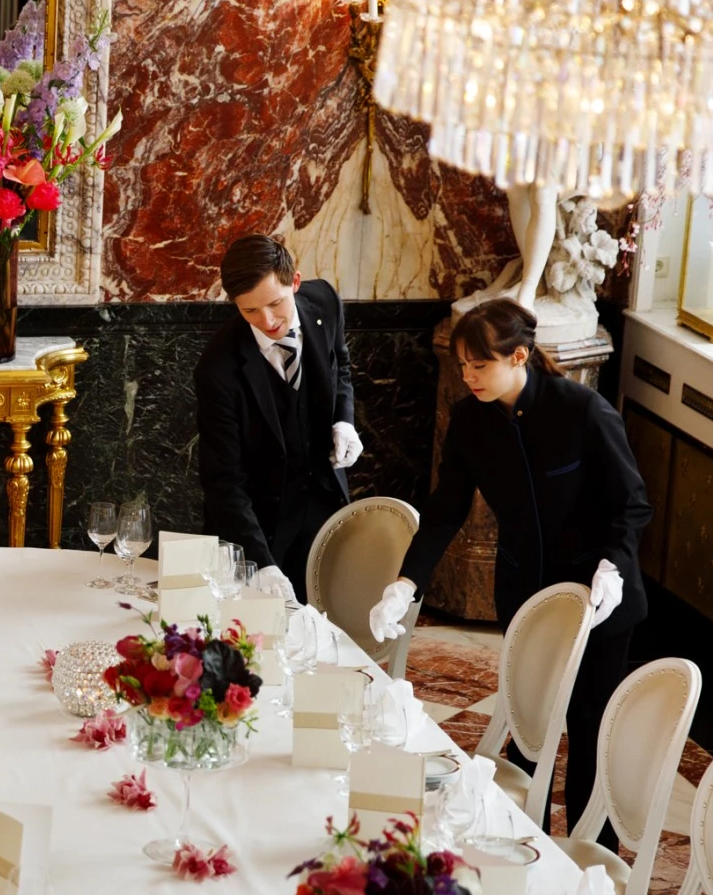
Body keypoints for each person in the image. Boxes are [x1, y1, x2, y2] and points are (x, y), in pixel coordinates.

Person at [366, 298, 651, 840]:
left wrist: (612, 567)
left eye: (481, 365)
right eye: (463, 366)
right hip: (525, 594)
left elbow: (633, 504)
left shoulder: (583, 411)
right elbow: (446, 508)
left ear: (519, 356)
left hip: (600, 598)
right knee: (528, 728)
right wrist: (406, 584)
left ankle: (593, 855)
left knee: (591, 729)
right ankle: (525, 847)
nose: (469, 376)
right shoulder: (471, 422)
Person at [193, 234, 362, 593]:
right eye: (249, 310)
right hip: (260, 523)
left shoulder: (325, 303)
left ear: (295, 283)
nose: (267, 320)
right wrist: (261, 563)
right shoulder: (217, 368)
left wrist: (344, 420)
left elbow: (340, 364)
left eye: (275, 303)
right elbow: (223, 479)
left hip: (324, 502)